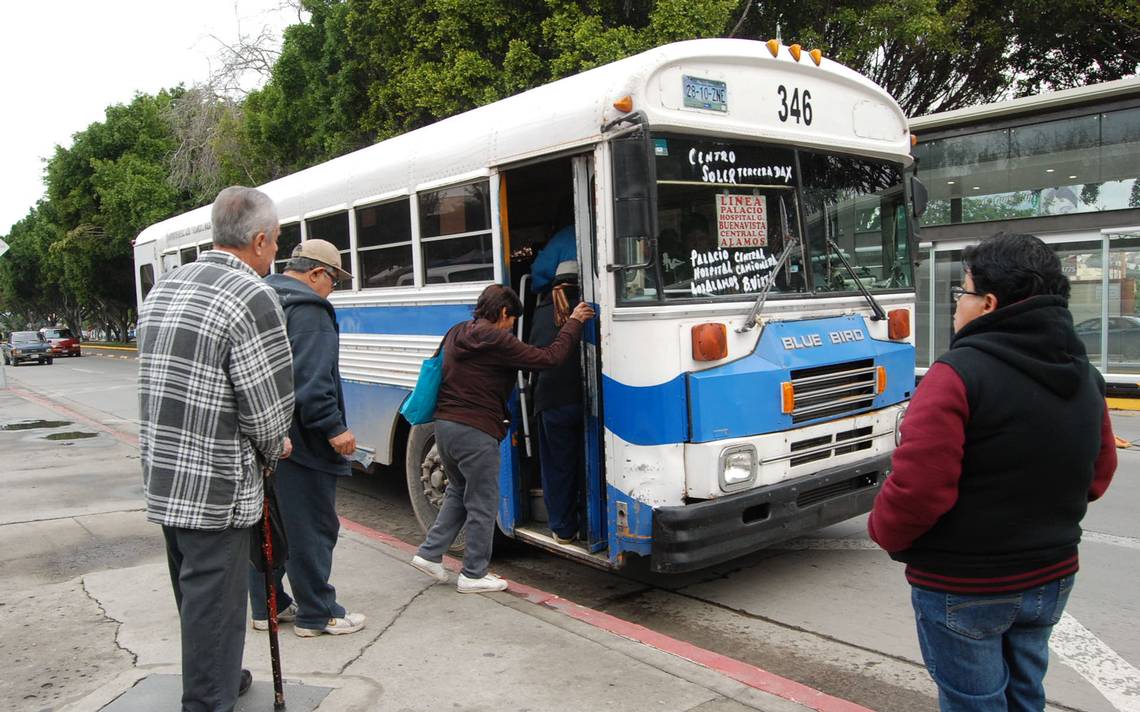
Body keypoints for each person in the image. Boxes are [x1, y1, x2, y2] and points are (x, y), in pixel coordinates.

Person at [867, 232, 1117, 712]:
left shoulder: (957, 374)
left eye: (962, 292)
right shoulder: (1084, 374)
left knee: (974, 704)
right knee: (1026, 695)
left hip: (965, 583)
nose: (957, 304)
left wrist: (885, 532)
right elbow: (1099, 471)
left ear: (989, 304)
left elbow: (919, 489)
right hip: (1052, 574)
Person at [139, 186, 294, 712]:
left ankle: (222, 674)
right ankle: (208, 699)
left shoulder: (166, 285)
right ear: (257, 240)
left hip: (165, 475)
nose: (275, 252)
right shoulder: (252, 294)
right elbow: (267, 406)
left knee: (196, 597)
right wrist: (276, 447)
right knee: (216, 603)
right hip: (217, 484)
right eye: (274, 243)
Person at [409, 284, 594, 592]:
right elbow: (549, 358)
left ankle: (430, 553)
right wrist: (574, 321)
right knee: (483, 502)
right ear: (504, 313)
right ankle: (474, 574)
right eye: (511, 319)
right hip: (475, 430)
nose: (512, 326)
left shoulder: (457, 331)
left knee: (458, 490)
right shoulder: (498, 339)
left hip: (445, 426)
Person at [248, 239, 366, 637]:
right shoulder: (311, 311)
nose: (332, 288)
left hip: (265, 437)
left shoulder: (263, 297)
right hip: (303, 445)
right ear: (316, 273)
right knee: (312, 529)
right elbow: (312, 385)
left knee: (271, 526)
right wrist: (335, 428)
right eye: (333, 279)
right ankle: (319, 614)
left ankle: (268, 605)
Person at [529, 260, 585, 544]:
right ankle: (589, 524)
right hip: (584, 400)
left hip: (551, 401)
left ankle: (563, 528)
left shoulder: (541, 313)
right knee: (586, 463)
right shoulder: (589, 309)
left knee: (557, 467)